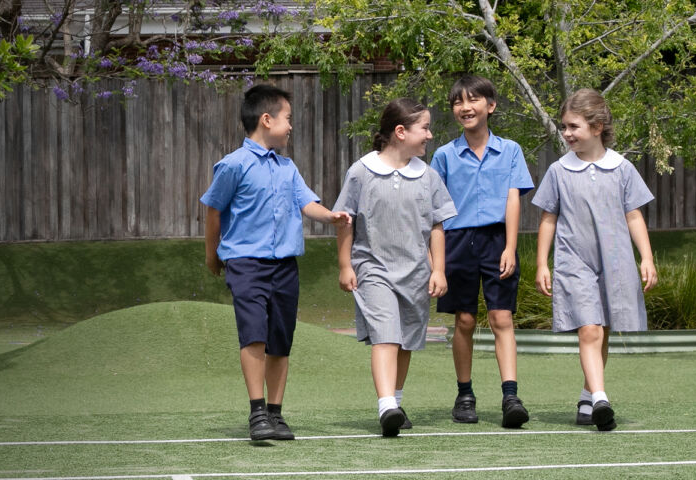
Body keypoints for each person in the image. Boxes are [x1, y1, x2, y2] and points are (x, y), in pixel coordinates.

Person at [201, 84, 351, 441]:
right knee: (253, 336)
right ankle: (257, 413)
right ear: (266, 120)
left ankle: (275, 413)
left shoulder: (288, 168)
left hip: (285, 267)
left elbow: (307, 203)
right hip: (245, 263)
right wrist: (212, 254)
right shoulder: (233, 165)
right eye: (287, 119)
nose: (291, 127)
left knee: (280, 341)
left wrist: (330, 217)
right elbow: (213, 210)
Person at [533, 88, 657, 431]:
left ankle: (589, 397)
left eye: (574, 126)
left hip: (615, 260)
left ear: (598, 126)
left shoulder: (622, 168)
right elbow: (548, 218)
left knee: (601, 330)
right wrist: (543, 263)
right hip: (574, 261)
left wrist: (646, 258)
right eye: (564, 127)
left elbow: (634, 215)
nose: (567, 133)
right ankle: (601, 398)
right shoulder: (559, 171)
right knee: (588, 329)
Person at [334, 98, 456, 437]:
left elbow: (436, 226)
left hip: (416, 271)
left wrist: (438, 270)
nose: (430, 135)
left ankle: (396, 402)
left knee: (405, 340)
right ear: (400, 132)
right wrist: (345, 265)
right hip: (373, 269)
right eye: (425, 128)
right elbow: (345, 221)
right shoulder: (361, 171)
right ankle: (386, 404)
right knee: (385, 334)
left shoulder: (428, 177)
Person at [429, 75, 534, 428]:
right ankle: (465, 394)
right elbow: (435, 211)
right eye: (458, 102)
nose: (465, 107)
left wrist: (510, 247)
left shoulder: (511, 151)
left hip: (496, 241)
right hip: (457, 243)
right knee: (465, 320)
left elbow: (513, 200)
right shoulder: (443, 155)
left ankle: (510, 396)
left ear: (490, 106)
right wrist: (436, 263)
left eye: (473, 100)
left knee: (501, 317)